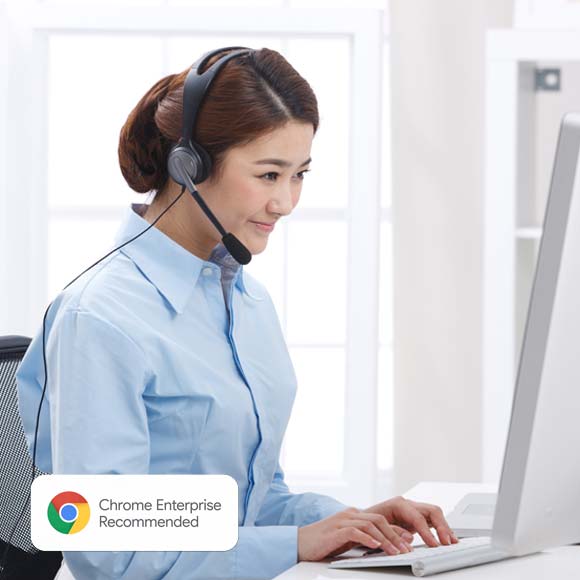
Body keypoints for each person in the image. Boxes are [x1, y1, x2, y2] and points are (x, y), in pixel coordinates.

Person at [16, 46, 457, 580]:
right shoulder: (100, 319)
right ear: (189, 165)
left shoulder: (248, 303)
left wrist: (349, 523)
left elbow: (246, 503)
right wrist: (293, 545)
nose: (288, 202)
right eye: (269, 175)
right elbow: (110, 550)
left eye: (300, 175)